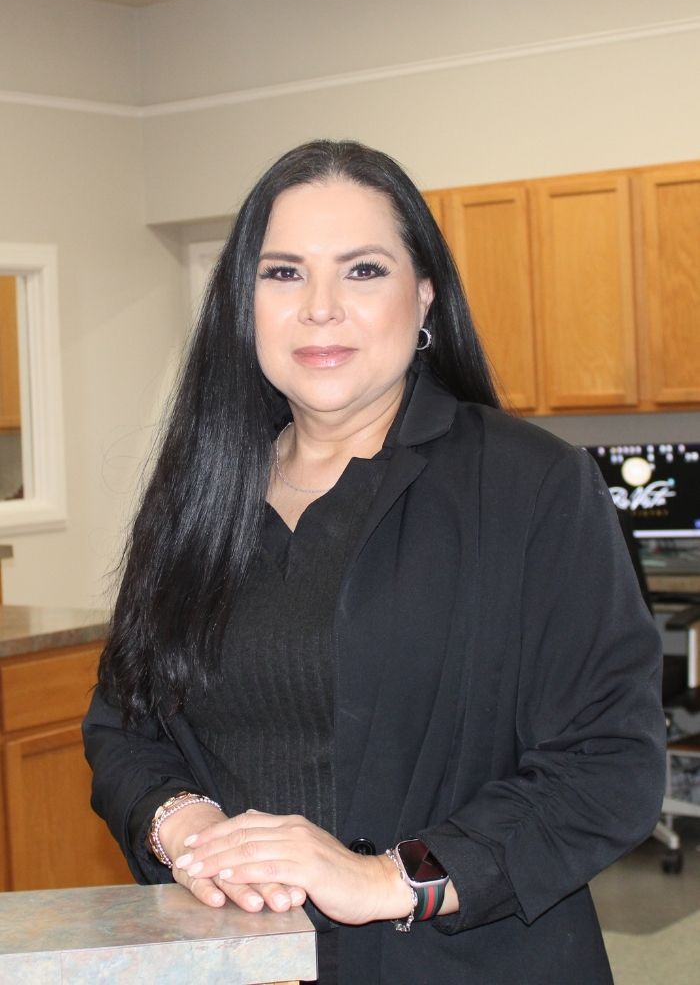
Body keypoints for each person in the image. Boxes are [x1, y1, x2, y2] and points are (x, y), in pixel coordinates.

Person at [84, 139, 665, 985]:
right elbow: (123, 725)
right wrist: (188, 827)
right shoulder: (196, 494)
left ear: (424, 292)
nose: (320, 308)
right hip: (236, 962)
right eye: (282, 273)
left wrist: (386, 878)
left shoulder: (531, 484)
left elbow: (609, 766)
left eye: (362, 271)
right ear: (240, 302)